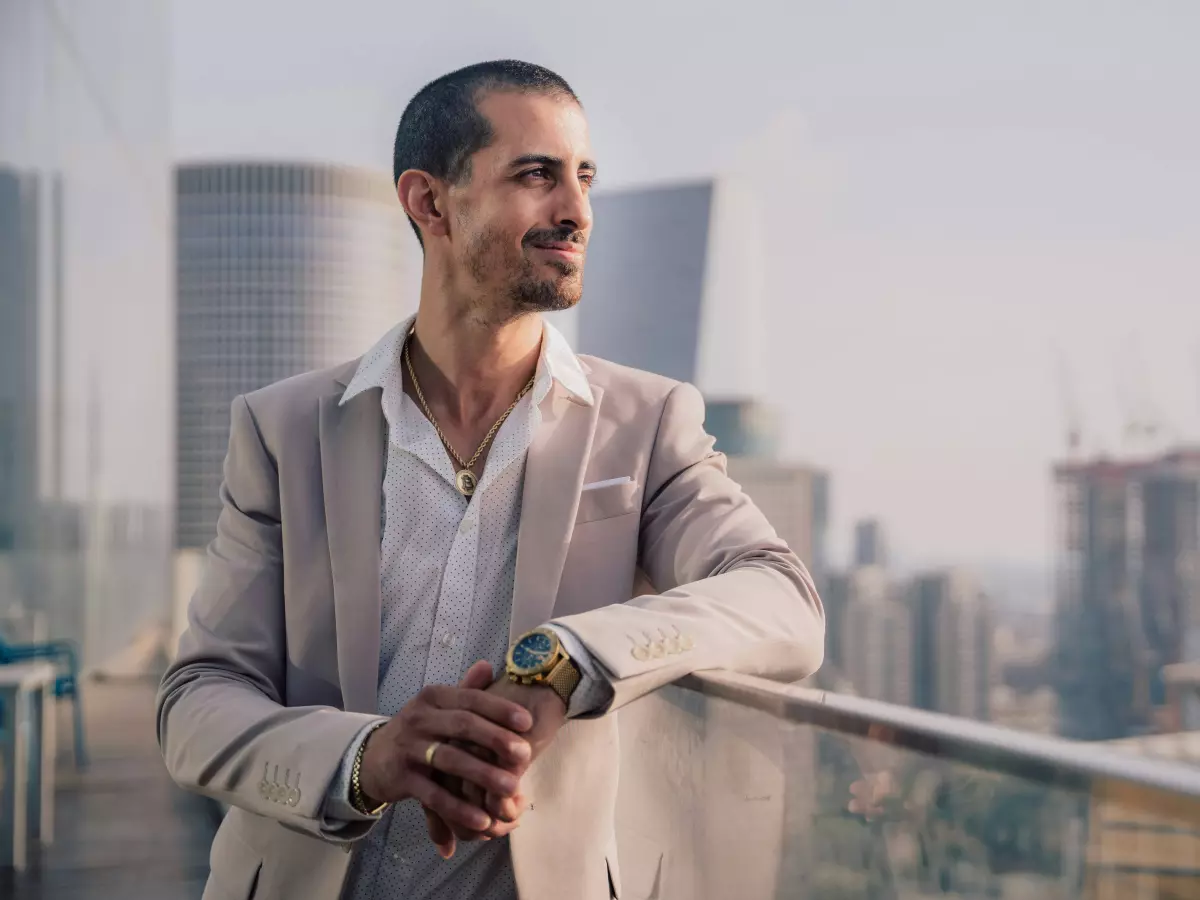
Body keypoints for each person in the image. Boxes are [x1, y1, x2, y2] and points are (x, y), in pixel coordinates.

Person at [157, 59, 824, 900]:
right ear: (430, 202)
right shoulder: (283, 428)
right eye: (537, 175)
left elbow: (782, 600)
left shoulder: (649, 424)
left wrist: (566, 662)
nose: (576, 211)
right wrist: (365, 759)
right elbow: (198, 699)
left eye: (584, 177)